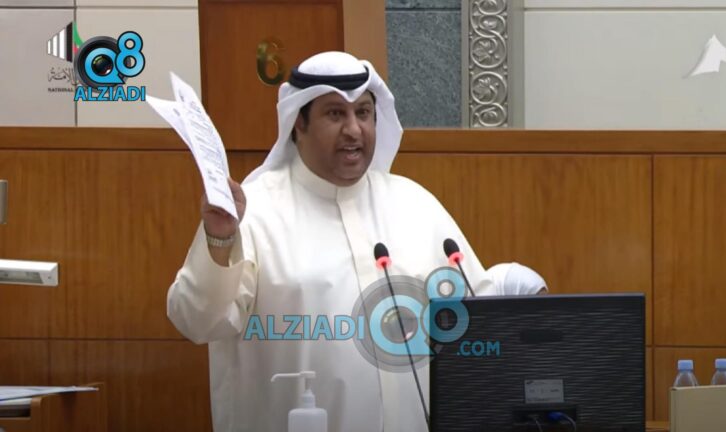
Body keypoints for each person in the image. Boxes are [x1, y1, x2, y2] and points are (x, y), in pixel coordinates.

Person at [167, 51, 518, 432]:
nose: (353, 130)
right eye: (335, 114)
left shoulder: (415, 204)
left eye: (363, 113)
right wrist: (219, 239)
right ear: (298, 123)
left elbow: (479, 312)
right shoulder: (255, 212)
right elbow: (197, 321)